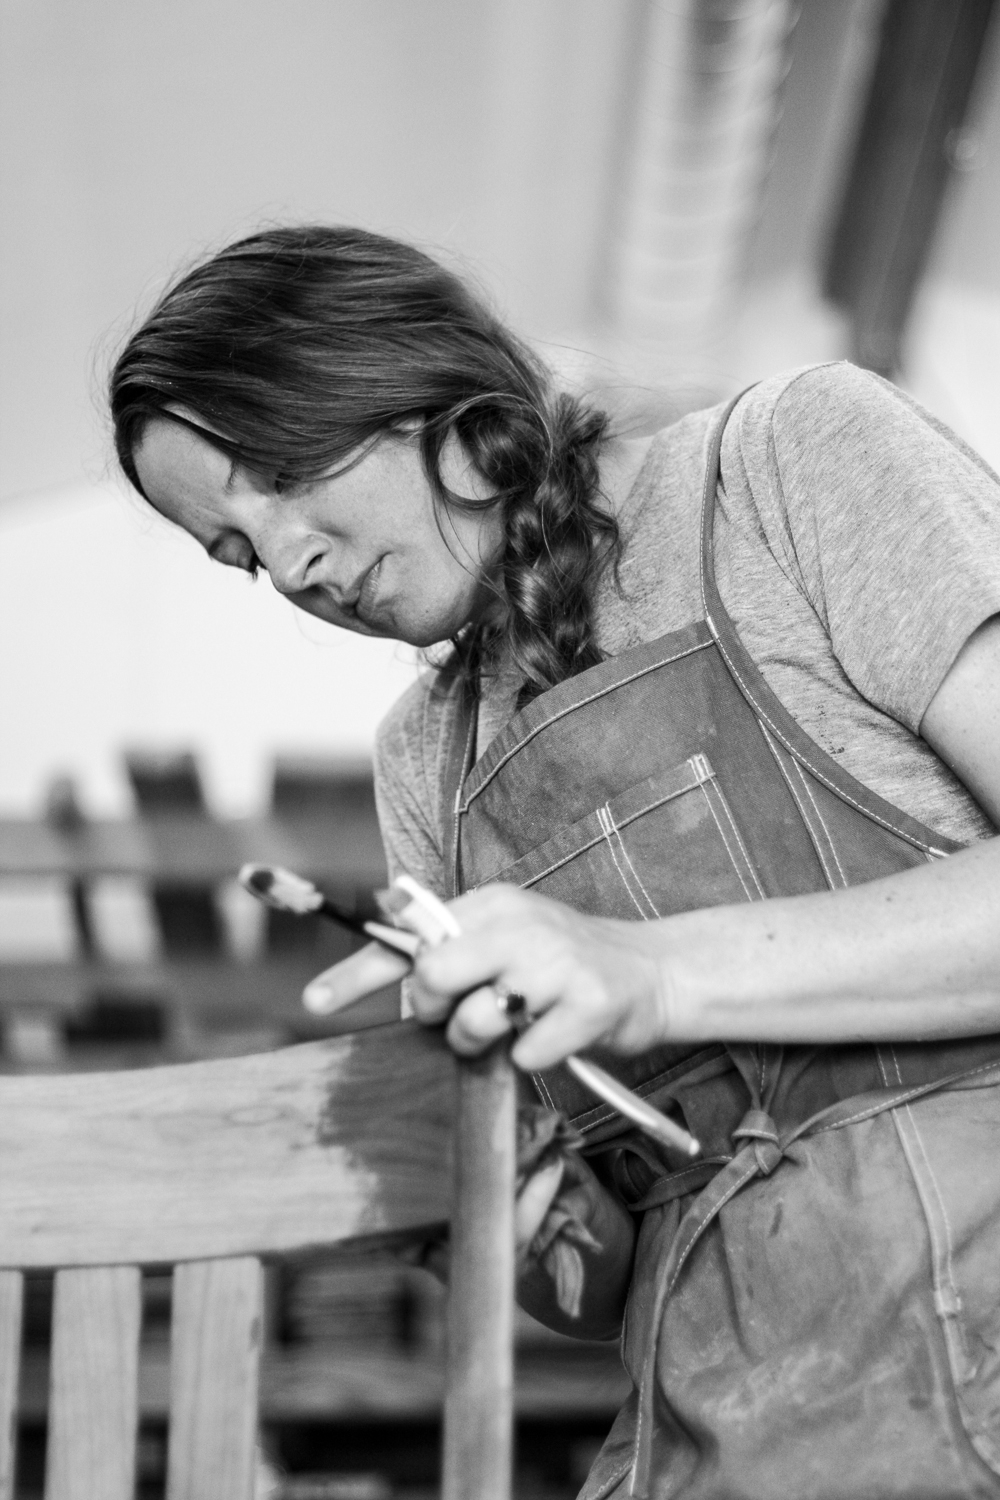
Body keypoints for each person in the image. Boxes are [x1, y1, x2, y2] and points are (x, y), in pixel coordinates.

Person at [110, 224, 1000, 1500]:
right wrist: (486, 1188)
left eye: (285, 475)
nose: (290, 565)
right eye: (238, 553)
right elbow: (617, 1277)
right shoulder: (428, 761)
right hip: (727, 1435)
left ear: (404, 375)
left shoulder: (791, 463)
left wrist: (648, 972)